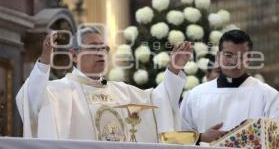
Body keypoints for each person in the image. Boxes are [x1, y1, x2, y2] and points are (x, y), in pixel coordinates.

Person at [16, 27, 193, 142]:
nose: (100, 53)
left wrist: (173, 70)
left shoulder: (122, 91)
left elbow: (158, 100)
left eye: (103, 48)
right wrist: (44, 62)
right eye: (93, 48)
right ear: (74, 55)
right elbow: (32, 99)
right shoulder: (59, 91)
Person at [180, 29, 279, 143]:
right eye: (228, 55)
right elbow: (177, 136)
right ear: (218, 56)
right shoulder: (196, 95)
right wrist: (201, 138)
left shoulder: (268, 96)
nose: (234, 62)